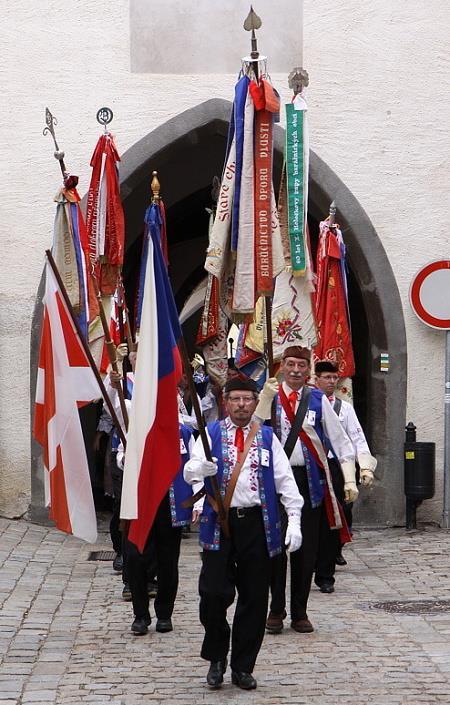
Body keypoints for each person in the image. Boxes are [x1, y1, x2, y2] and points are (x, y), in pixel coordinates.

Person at [184, 377, 303, 691]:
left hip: (257, 524)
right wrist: (201, 471)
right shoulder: (209, 435)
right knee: (212, 594)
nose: (241, 405)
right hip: (219, 524)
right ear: (226, 402)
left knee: (253, 598)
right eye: (235, 399)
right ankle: (216, 657)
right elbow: (189, 470)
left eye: (247, 399)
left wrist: (295, 519)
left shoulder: (266, 437)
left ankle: (242, 666)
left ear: (255, 402)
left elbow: (285, 480)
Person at [255, 346, 358, 634]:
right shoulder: (270, 395)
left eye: (301, 365)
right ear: (282, 366)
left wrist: (349, 478)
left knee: (306, 549)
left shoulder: (316, 399)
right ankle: (276, 609)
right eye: (291, 364)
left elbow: (338, 437)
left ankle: (300, 611)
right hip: (275, 482)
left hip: (309, 481)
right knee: (275, 547)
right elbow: (252, 430)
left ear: (307, 369)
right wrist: (263, 400)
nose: (296, 370)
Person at [119, 423, 199, 636]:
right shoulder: (135, 427)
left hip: (170, 502)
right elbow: (120, 456)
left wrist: (197, 501)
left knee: (168, 560)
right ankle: (140, 615)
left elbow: (193, 465)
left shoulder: (184, 432)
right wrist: (126, 459)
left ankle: (164, 613)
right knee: (135, 557)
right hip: (141, 501)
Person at [314, 360, 376, 588]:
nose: (331, 382)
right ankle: (312, 559)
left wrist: (366, 466)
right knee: (312, 517)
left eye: (334, 378)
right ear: (317, 378)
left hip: (338, 468)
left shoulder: (344, 408)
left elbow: (357, 438)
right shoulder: (307, 405)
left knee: (339, 515)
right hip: (313, 466)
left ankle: (328, 565)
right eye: (326, 377)